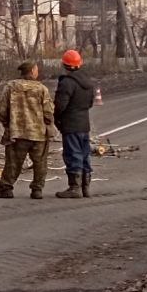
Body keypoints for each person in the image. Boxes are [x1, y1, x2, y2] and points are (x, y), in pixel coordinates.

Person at [0, 60, 56, 200]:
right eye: (36, 69)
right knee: (40, 163)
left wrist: (8, 125)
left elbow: (2, 111)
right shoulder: (41, 89)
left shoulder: (11, 87)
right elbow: (48, 111)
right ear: (33, 71)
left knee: (13, 163)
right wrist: (48, 124)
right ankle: (37, 190)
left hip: (17, 132)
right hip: (38, 133)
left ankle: (6, 188)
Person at [52, 49, 96, 198]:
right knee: (85, 155)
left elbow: (60, 106)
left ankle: (74, 188)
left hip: (70, 125)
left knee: (73, 154)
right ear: (80, 63)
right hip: (84, 124)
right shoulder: (88, 82)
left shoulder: (67, 83)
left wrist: (56, 119)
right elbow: (90, 103)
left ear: (65, 64)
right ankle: (85, 188)